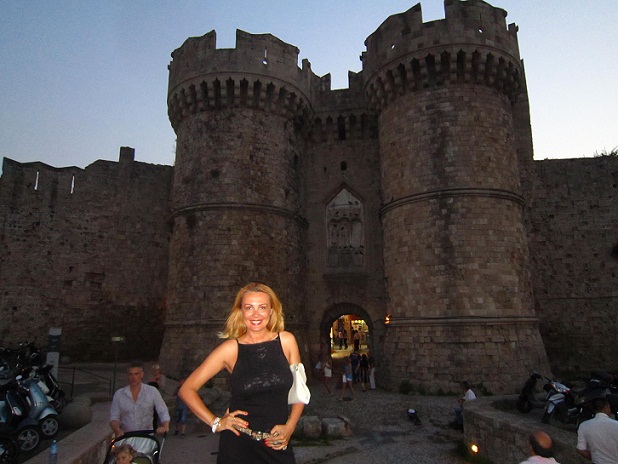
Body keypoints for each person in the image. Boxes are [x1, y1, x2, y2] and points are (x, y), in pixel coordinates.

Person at [179, 282, 309, 464]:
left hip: (276, 444)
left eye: (262, 307)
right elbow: (187, 389)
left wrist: (290, 427)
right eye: (249, 308)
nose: (256, 314)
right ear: (241, 312)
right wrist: (216, 422)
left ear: (271, 311)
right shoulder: (229, 350)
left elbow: (299, 390)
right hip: (238, 445)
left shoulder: (287, 341)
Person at [109, 361, 170, 437]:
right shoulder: (119, 394)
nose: (133, 377)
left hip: (146, 437)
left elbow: (163, 410)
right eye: (131, 374)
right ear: (128, 375)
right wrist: (117, 430)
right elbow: (114, 417)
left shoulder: (152, 391)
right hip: (126, 437)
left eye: (136, 374)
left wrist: (165, 426)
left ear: (142, 374)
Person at [576, 397, 618, 463]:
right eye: (609, 407)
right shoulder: (616, 425)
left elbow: (581, 450)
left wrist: (596, 458)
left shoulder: (584, 425)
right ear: (606, 408)